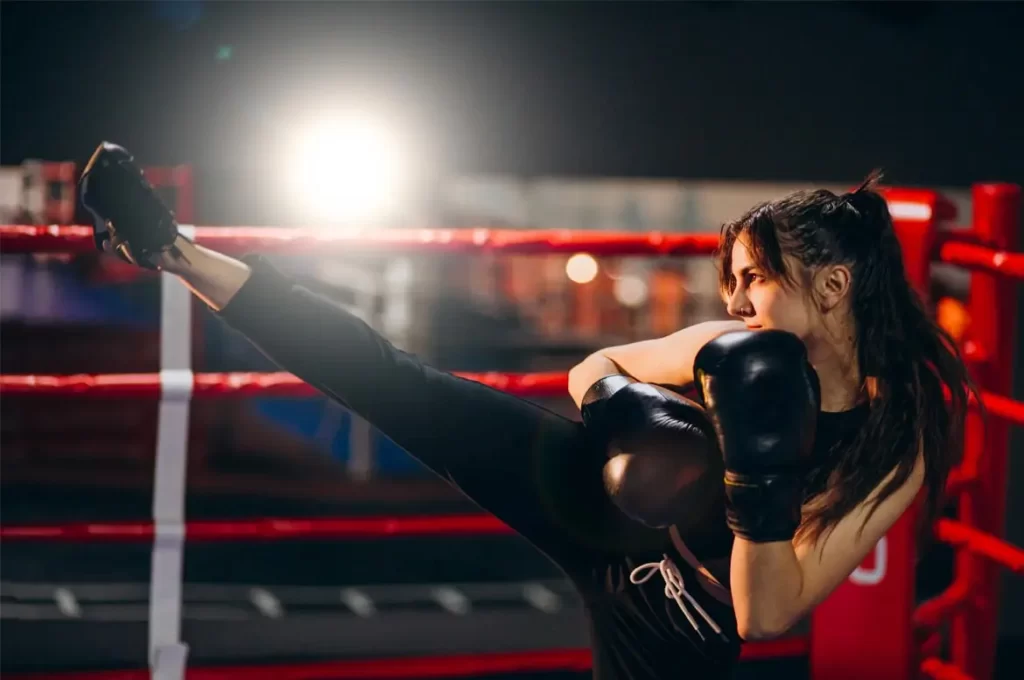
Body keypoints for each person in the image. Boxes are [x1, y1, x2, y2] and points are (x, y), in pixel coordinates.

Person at [79, 143, 974, 679]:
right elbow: (597, 365)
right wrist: (633, 418)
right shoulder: (727, 347)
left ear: (834, 283)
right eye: (730, 280)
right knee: (392, 381)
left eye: (755, 279)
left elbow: (765, 614)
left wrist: (755, 472)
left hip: (684, 620)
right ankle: (171, 249)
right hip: (604, 506)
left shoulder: (897, 444)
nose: (736, 302)